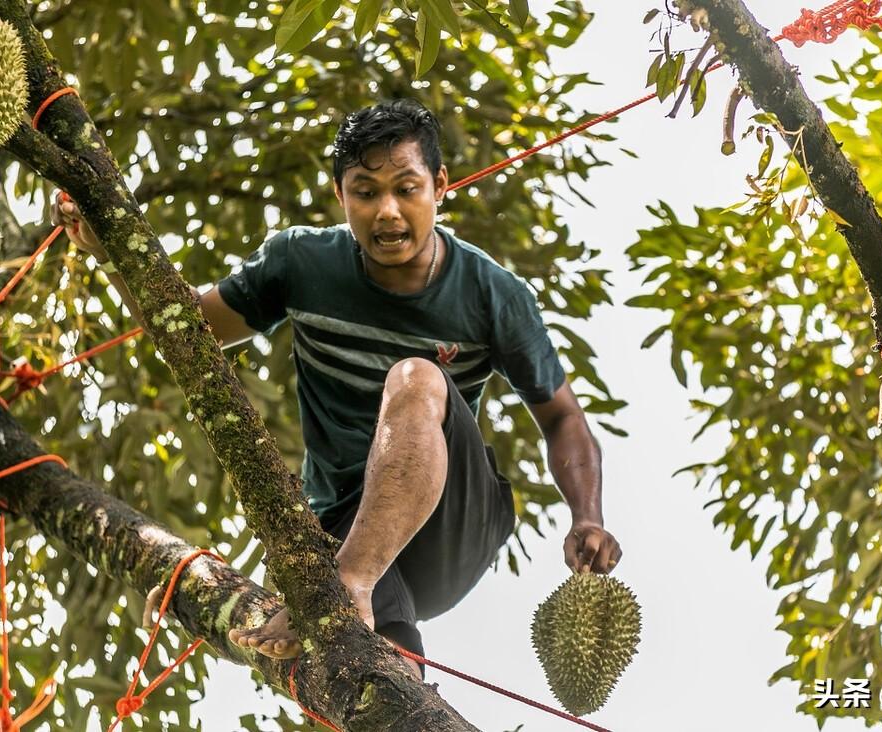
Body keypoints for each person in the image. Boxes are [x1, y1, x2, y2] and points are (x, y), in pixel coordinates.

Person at [52, 98, 622, 678]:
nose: (388, 212)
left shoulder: (492, 294)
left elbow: (563, 419)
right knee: (375, 677)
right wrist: (107, 249)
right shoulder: (301, 261)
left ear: (440, 185)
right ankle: (371, 630)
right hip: (339, 526)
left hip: (449, 526)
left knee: (417, 376)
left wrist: (588, 515)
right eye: (366, 192)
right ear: (340, 196)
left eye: (407, 187)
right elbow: (190, 327)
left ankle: (347, 585)